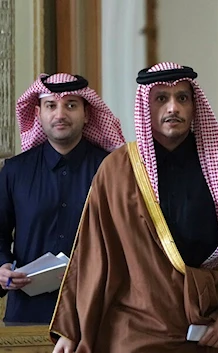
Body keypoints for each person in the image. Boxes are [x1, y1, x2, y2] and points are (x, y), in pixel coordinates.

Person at [50, 62, 218, 353]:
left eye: (182, 98)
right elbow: (93, 254)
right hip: (137, 331)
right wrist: (72, 330)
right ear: (146, 106)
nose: (173, 108)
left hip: (210, 331)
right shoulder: (117, 171)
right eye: (161, 99)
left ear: (194, 106)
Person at [0, 73, 125, 323]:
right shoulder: (15, 171)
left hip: (96, 312)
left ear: (87, 114)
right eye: (51, 105)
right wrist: (2, 267)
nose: (60, 114)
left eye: (70, 105)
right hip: (28, 313)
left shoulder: (111, 169)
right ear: (37, 114)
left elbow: (127, 237)